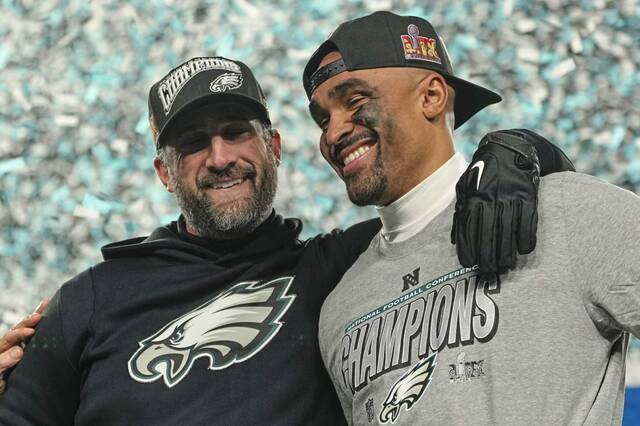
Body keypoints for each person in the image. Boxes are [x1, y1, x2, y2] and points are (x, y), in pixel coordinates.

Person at [0, 54, 568, 423]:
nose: (220, 157)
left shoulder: (346, 268)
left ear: (273, 146)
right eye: (194, 143)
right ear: (164, 172)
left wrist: (518, 152)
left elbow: (476, 207)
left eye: (235, 133)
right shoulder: (88, 300)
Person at [303, 11, 640, 425]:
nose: (333, 133)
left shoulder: (566, 211)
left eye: (354, 101)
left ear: (431, 96)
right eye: (322, 118)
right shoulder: (339, 308)